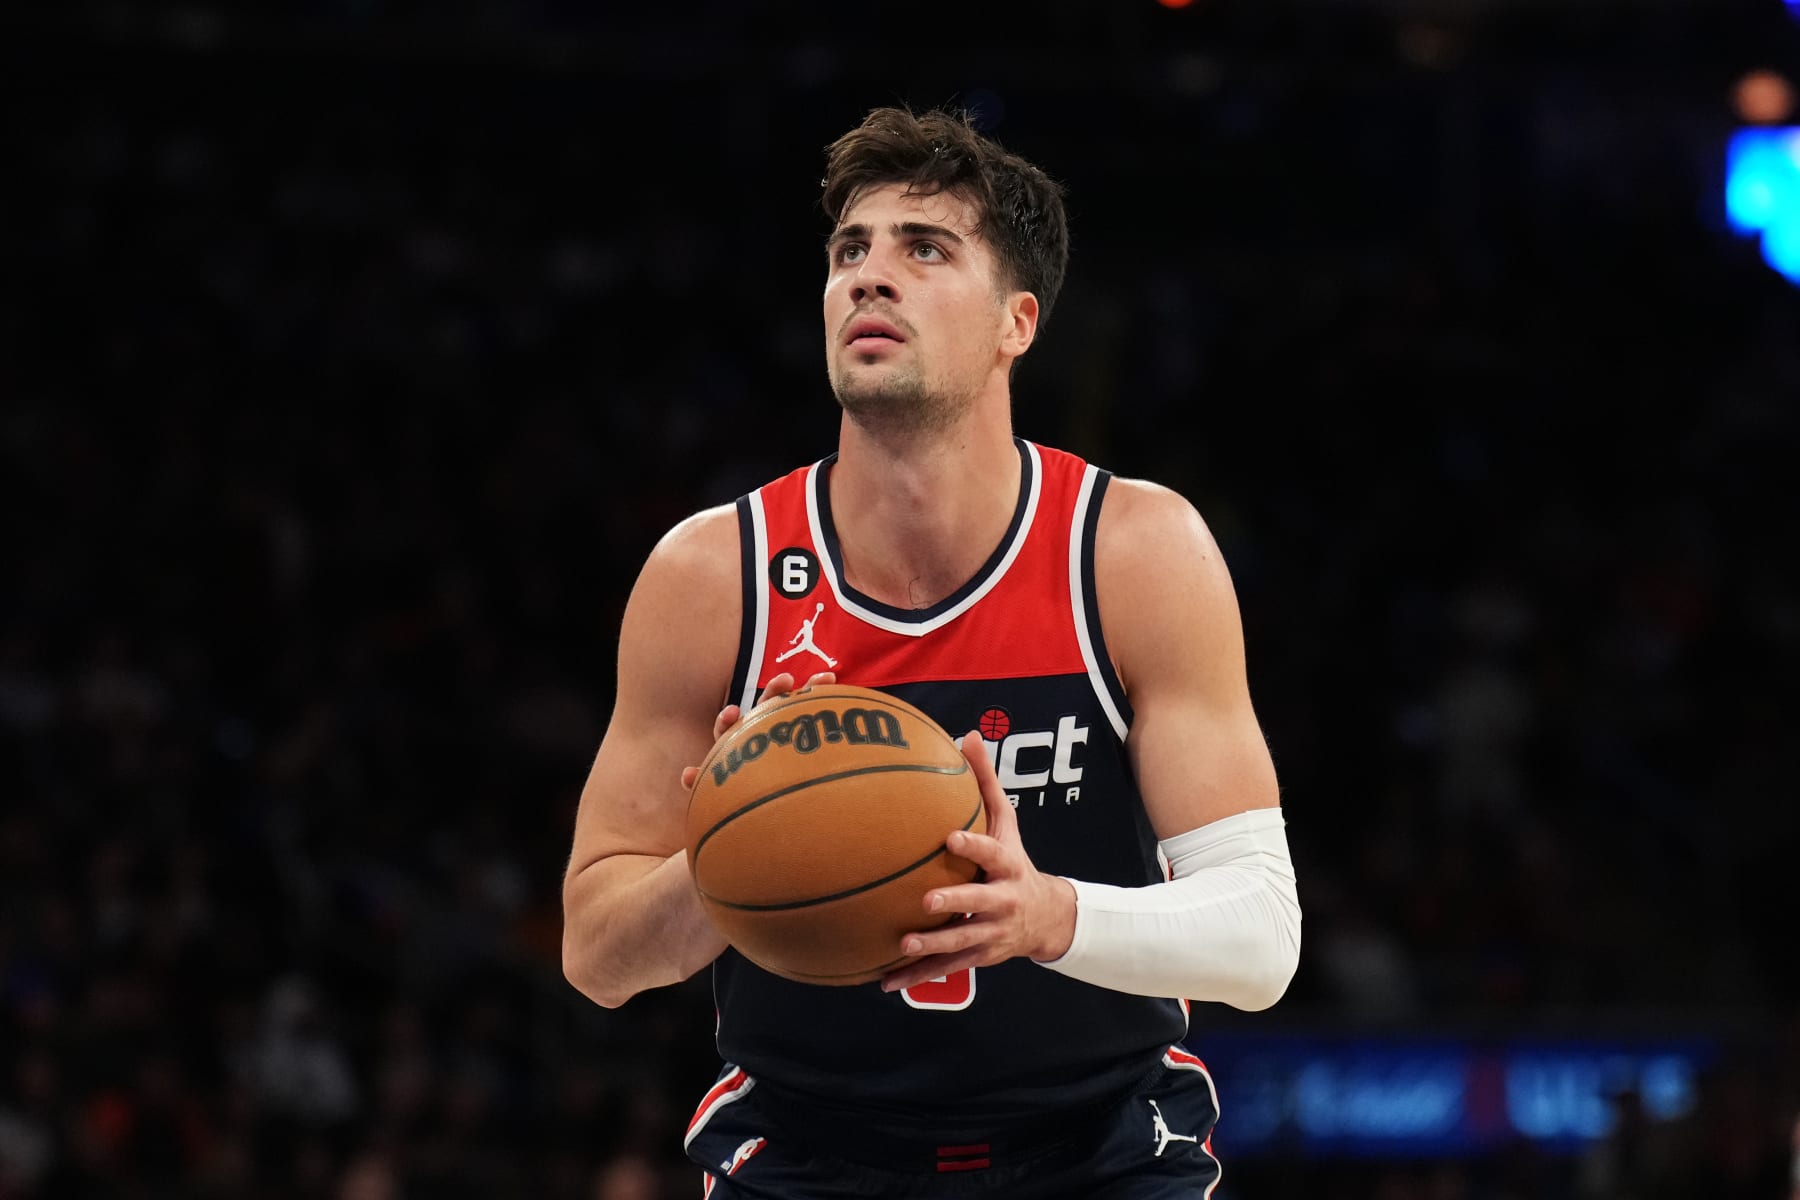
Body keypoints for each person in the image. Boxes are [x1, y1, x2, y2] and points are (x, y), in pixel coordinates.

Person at [562, 106, 1302, 1198]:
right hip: (810, 1150)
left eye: (924, 248)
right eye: (848, 251)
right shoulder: (714, 574)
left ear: (1018, 323)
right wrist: (729, 847)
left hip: (1096, 1148)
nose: (869, 276)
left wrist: (1047, 916)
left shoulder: (1134, 552)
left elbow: (1260, 939)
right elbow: (596, 955)